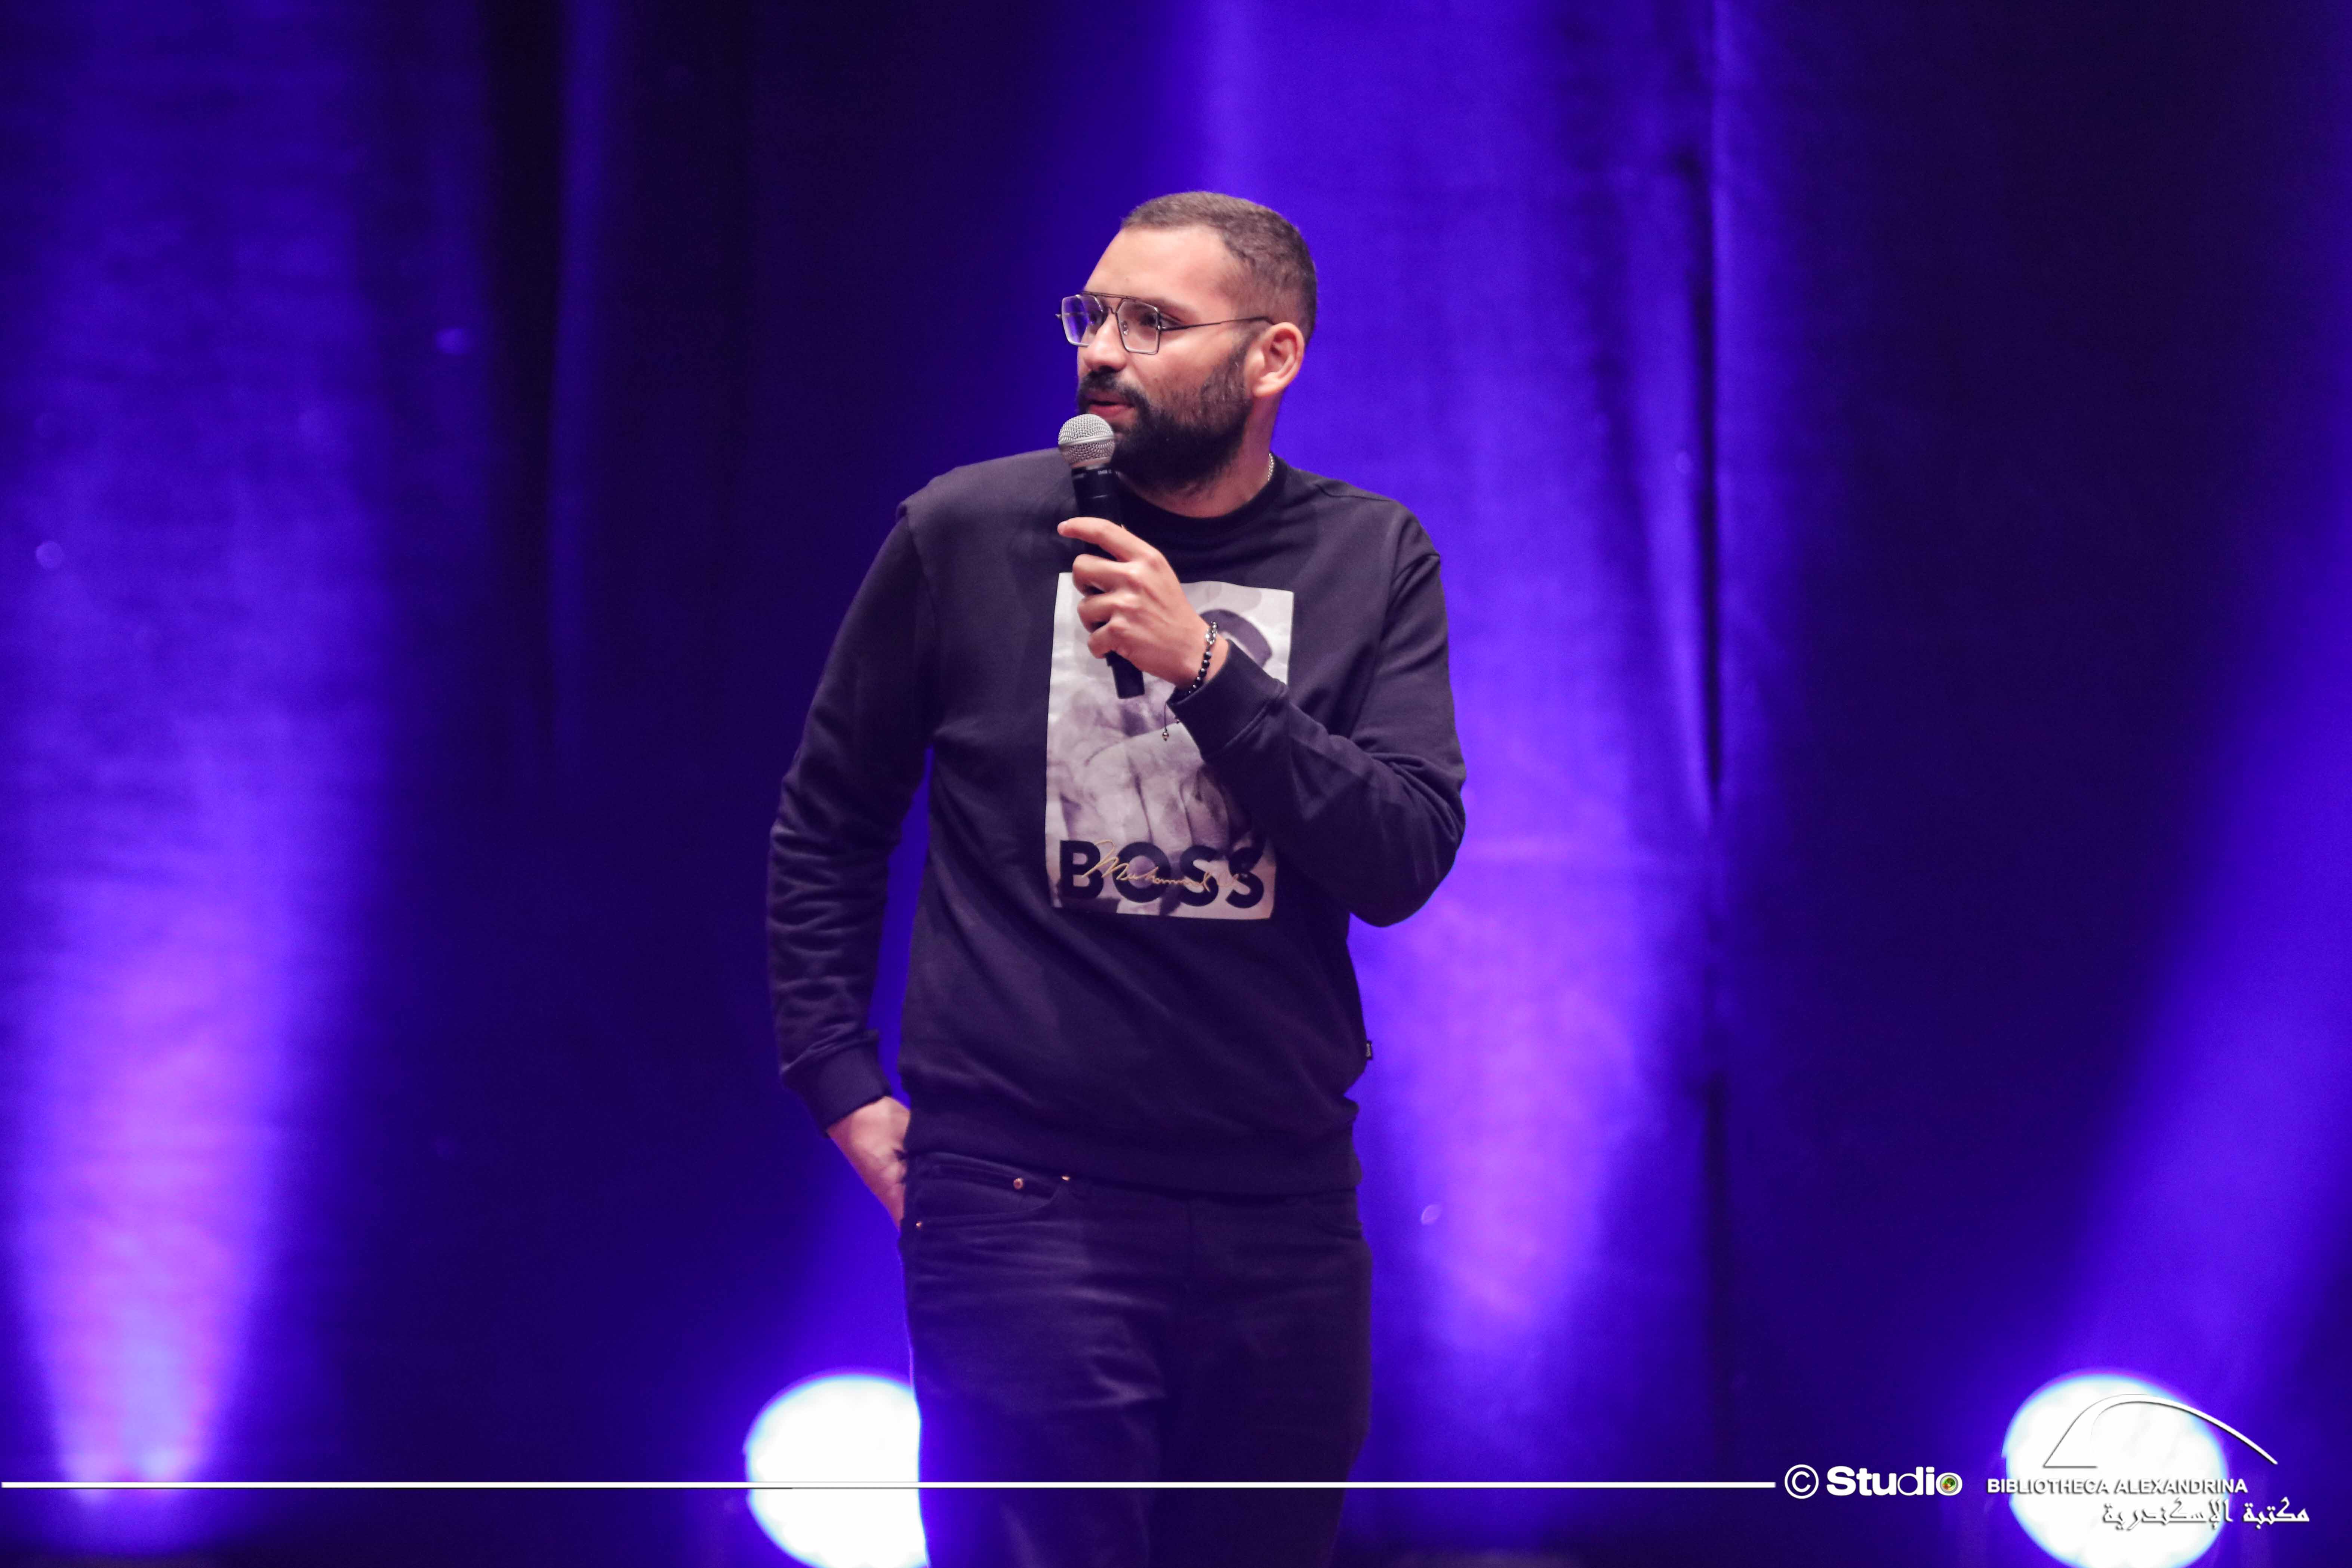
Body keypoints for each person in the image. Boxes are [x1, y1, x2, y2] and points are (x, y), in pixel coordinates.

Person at [767, 191, 1466, 1568]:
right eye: (1092, 314)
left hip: (1280, 1206)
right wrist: (835, 1076)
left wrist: (1207, 668)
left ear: (1270, 357)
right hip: (1021, 1193)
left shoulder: (1369, 555)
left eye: (1153, 322)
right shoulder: (965, 531)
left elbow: (1399, 857)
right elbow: (830, 816)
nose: (1101, 350)